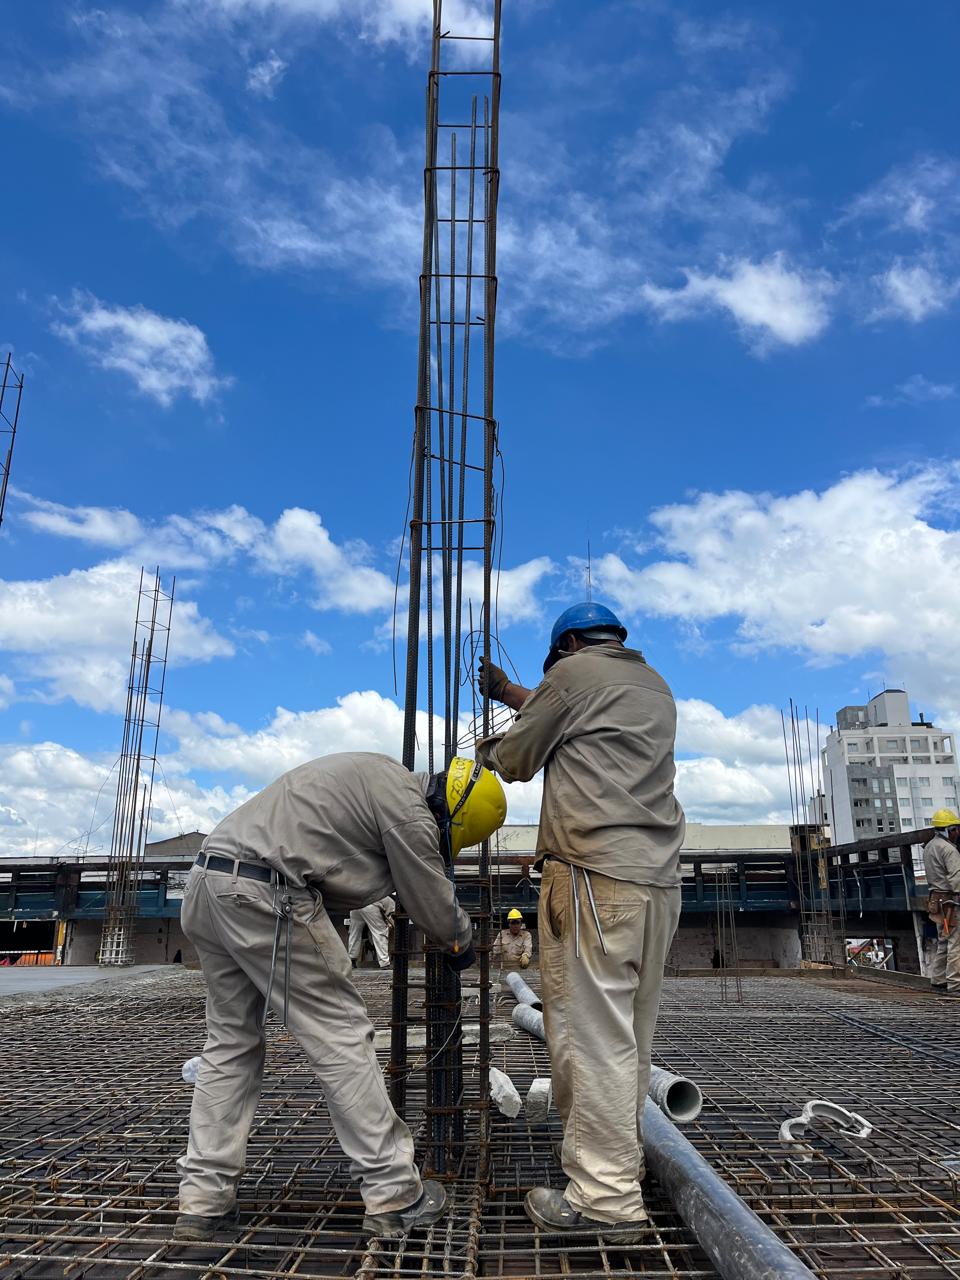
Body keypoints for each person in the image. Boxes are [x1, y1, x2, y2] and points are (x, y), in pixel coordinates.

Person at [174, 751, 506, 1244]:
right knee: (342, 1038)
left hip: (207, 885)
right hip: (269, 894)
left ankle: (203, 1203)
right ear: (450, 815)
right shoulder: (410, 809)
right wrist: (461, 943)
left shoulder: (373, 775)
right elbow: (429, 897)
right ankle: (394, 1194)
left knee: (230, 1047)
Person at [476, 602, 685, 1243]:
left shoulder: (570, 676)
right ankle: (618, 1165)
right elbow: (566, 708)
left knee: (593, 1040)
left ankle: (605, 1201)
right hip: (656, 883)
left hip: (593, 878)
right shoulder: (652, 685)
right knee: (629, 1039)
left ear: (566, 644)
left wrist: (485, 746)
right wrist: (511, 691)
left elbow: (516, 758)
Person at [923, 809, 960, 994]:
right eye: (956, 830)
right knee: (956, 942)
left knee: (944, 940)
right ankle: (955, 984)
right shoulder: (949, 850)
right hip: (950, 902)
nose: (957, 833)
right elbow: (956, 879)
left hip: (936, 902)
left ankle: (938, 979)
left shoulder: (929, 846)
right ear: (949, 829)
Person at [348, 896, 396, 969]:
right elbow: (391, 916)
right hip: (371, 906)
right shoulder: (392, 901)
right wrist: (392, 925)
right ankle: (384, 963)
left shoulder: (383, 893)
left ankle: (352, 961)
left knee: (354, 934)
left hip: (355, 906)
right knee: (380, 933)